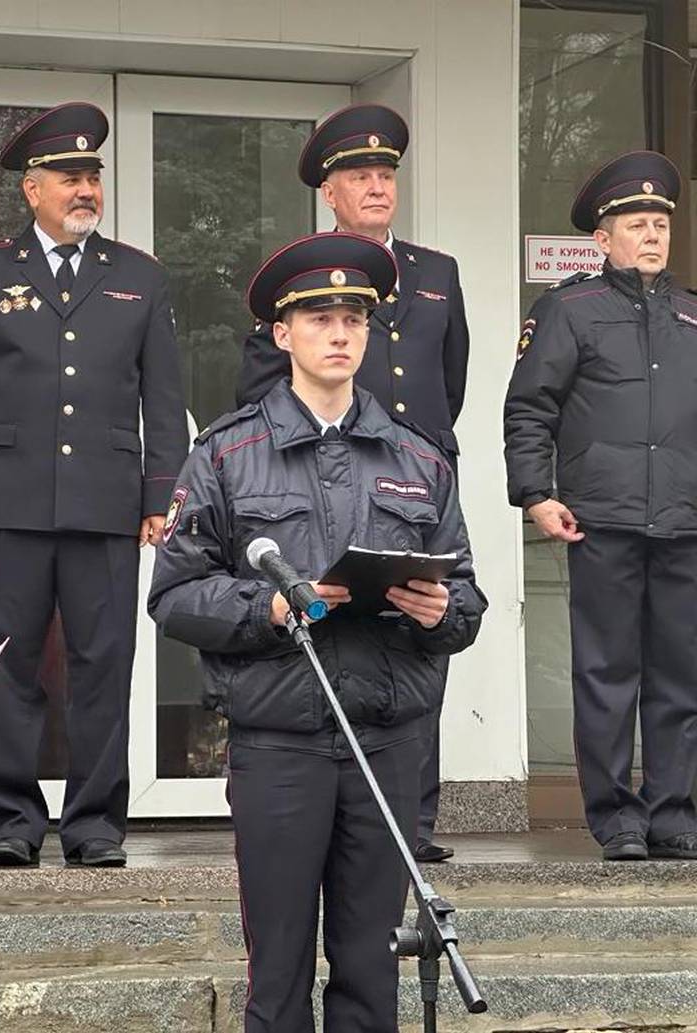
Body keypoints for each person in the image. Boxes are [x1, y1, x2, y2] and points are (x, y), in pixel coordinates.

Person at [149, 233, 485, 1032]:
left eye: (355, 320)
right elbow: (174, 596)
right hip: (281, 741)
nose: (340, 333)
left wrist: (444, 613)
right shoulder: (226, 453)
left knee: (373, 967)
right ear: (281, 332)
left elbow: (466, 594)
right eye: (320, 317)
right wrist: (269, 609)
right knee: (279, 967)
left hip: (388, 740)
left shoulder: (419, 458)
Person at [0, 102, 188, 868]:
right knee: (7, 663)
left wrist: (160, 493)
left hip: (107, 503)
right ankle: (10, 819)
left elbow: (164, 396)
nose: (86, 190)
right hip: (6, 504)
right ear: (32, 188)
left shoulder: (138, 276)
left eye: (93, 178)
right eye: (69, 177)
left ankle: (94, 824)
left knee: (102, 664)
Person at [235, 103, 471, 863]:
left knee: (420, 633)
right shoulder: (296, 281)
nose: (376, 186)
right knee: (339, 643)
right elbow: (259, 388)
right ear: (328, 192)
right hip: (319, 479)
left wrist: (411, 458)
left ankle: (416, 819)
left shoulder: (437, 272)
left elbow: (451, 380)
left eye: (385, 174)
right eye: (359, 175)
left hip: (411, 488)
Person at [504, 150, 697, 862]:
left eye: (659, 224)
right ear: (602, 239)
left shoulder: (690, 316)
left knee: (681, 674)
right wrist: (536, 492)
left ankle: (674, 812)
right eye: (635, 224)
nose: (651, 235)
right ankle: (616, 815)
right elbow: (529, 409)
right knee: (608, 671)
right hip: (601, 518)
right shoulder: (568, 309)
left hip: (684, 522)